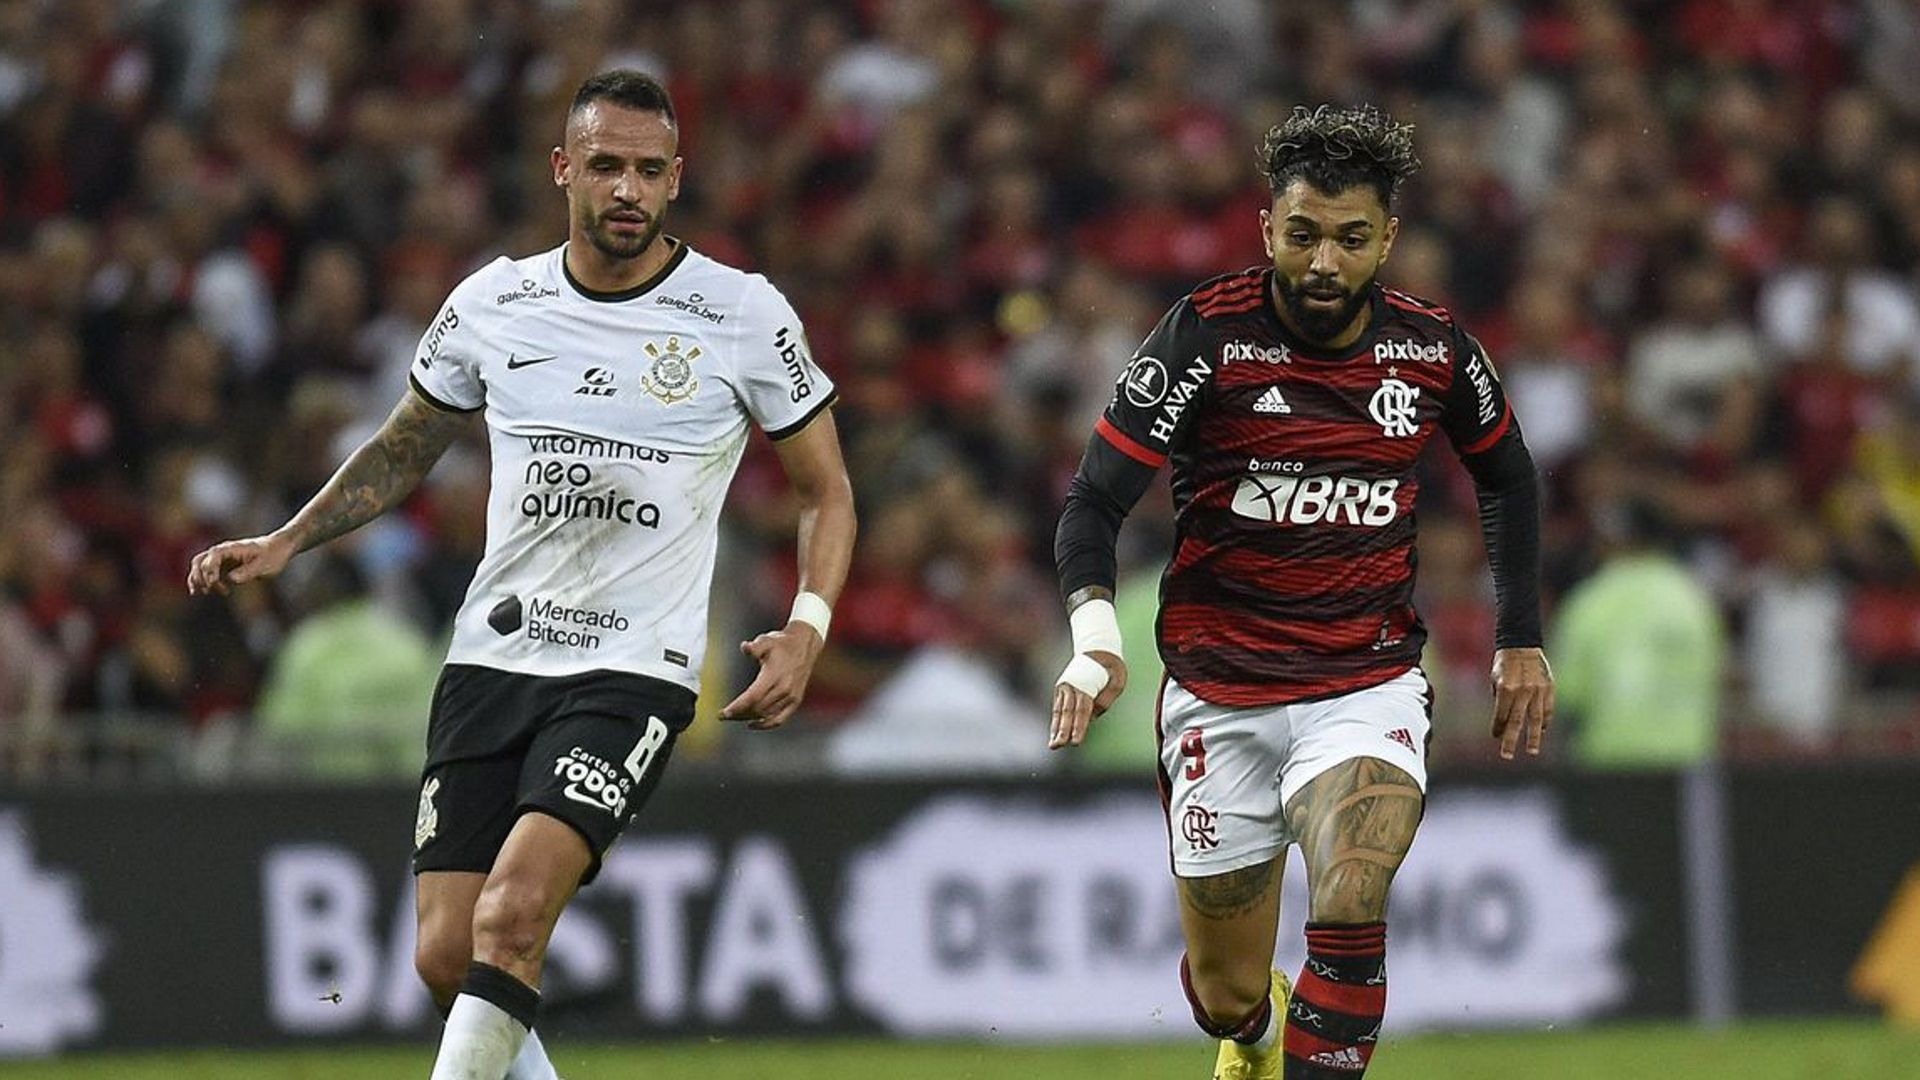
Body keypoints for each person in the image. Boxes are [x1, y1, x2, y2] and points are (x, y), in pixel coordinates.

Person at [187, 71, 856, 1080]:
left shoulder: (742, 314)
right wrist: (289, 540)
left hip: (632, 666)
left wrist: (807, 625)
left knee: (510, 917)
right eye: (604, 167)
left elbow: (827, 490)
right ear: (563, 171)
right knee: (447, 955)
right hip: (493, 656)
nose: (625, 189)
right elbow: (407, 445)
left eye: (646, 170)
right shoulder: (494, 302)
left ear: (676, 180)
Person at [1050, 104, 1552, 1080]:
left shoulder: (1432, 349)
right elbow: (1092, 503)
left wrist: (1520, 634)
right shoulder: (1205, 338)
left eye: (1352, 239)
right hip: (1218, 693)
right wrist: (1093, 635)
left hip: (1362, 686)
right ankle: (1252, 1030)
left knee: (1353, 893)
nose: (1326, 262)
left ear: (1387, 240)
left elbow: (1510, 477)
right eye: (1305, 235)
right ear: (1267, 228)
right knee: (1224, 995)